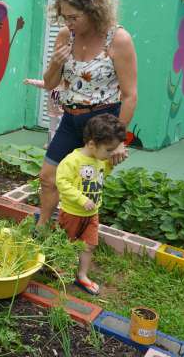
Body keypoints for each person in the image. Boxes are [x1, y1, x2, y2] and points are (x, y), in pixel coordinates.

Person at [36, 0, 138, 228]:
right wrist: (55, 64)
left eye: (73, 17)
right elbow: (50, 84)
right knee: (48, 177)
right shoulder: (65, 36)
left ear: (93, 11)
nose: (68, 24)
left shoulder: (118, 39)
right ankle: (42, 228)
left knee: (87, 183)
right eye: (64, 17)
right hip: (71, 118)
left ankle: (80, 238)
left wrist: (117, 139)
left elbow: (130, 95)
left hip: (102, 120)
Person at [56, 113, 126, 295]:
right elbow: (62, 182)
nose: (112, 153)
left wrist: (110, 165)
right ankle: (60, 268)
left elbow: (99, 178)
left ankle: (82, 275)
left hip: (91, 214)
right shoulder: (72, 161)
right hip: (71, 213)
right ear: (92, 144)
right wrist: (81, 199)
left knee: (89, 245)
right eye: (109, 150)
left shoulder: (99, 159)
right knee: (66, 243)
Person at [23, 78, 63, 148]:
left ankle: (61, 144)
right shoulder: (51, 84)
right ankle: (50, 143)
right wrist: (30, 81)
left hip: (63, 113)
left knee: (62, 129)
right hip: (53, 112)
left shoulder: (67, 86)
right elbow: (41, 83)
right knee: (51, 129)